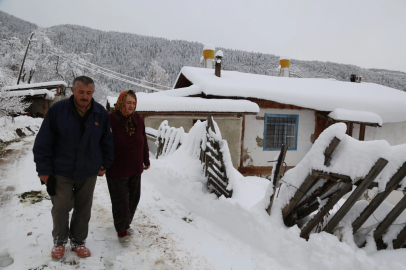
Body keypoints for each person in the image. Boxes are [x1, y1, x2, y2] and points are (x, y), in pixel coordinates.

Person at [33, 76, 114, 259]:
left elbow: (107, 142)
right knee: (61, 205)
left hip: (88, 170)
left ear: (93, 93)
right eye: (81, 92)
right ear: (73, 90)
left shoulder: (100, 113)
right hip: (61, 169)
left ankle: (78, 241)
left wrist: (105, 163)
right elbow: (43, 142)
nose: (85, 96)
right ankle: (60, 241)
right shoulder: (57, 111)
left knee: (84, 207)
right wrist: (44, 170)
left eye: (89, 93)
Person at [106, 89, 150, 244]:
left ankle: (126, 223)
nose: (131, 106)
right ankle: (121, 230)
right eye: (128, 102)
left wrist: (146, 159)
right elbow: (103, 142)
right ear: (121, 102)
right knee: (120, 201)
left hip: (135, 167)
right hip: (116, 168)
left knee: (133, 198)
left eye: (133, 103)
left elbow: (143, 139)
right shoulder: (110, 119)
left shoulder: (138, 118)